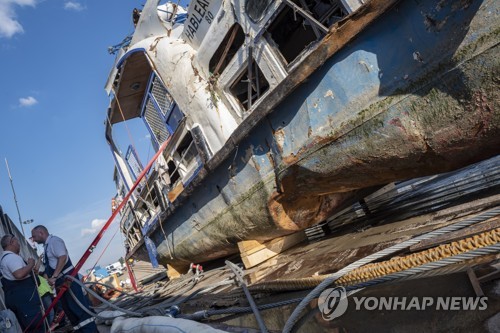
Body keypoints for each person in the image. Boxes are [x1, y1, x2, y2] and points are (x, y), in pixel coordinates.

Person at [31, 226, 97, 333]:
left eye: (34, 236)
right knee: (70, 311)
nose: (33, 239)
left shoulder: (54, 241)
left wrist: (55, 276)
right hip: (61, 281)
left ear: (41, 232)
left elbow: (62, 257)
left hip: (67, 280)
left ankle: (90, 331)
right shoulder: (47, 246)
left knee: (78, 309)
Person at [0, 234, 45, 332]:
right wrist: (30, 264)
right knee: (36, 327)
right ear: (11, 242)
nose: (19, 244)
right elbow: (19, 274)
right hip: (26, 302)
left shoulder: (4, 258)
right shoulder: (11, 257)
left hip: (17, 299)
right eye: (17, 241)